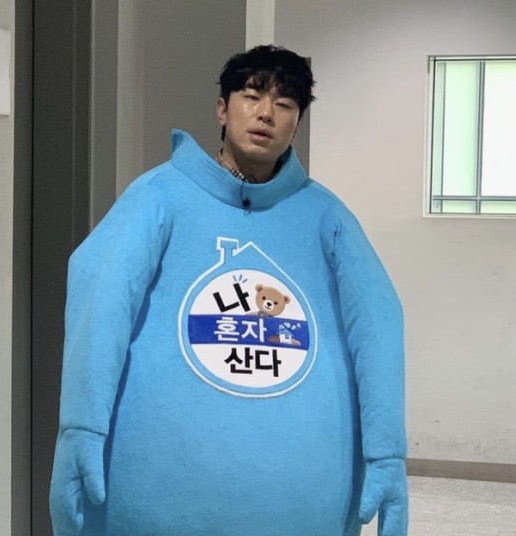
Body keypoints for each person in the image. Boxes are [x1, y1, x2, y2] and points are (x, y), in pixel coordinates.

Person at [50, 45, 408, 536]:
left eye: (285, 104)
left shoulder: (327, 218)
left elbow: (378, 326)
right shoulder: (159, 197)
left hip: (299, 505)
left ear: (297, 123)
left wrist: (387, 453)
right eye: (252, 96)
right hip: (157, 501)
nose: (266, 114)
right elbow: (101, 304)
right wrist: (80, 427)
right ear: (222, 108)